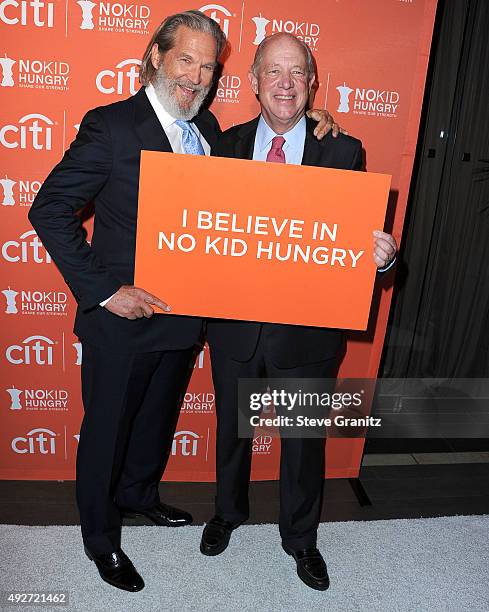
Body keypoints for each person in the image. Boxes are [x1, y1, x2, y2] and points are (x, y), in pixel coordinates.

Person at [28, 12, 338, 593]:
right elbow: (47, 211)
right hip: (120, 320)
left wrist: (315, 119)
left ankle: (140, 496)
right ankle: (101, 540)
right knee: (107, 433)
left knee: (153, 424)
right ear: (155, 57)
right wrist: (103, 292)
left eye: (207, 66)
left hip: (180, 319)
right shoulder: (112, 126)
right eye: (185, 60)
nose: (196, 76)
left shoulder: (212, 133)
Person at [201, 33, 397, 592]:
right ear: (253, 81)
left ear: (312, 84)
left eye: (297, 74)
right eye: (274, 73)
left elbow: (353, 242)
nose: (285, 84)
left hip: (306, 333)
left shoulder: (343, 150)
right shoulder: (224, 145)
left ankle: (301, 538)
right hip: (236, 325)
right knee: (232, 432)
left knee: (302, 441)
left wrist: (379, 259)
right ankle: (227, 512)